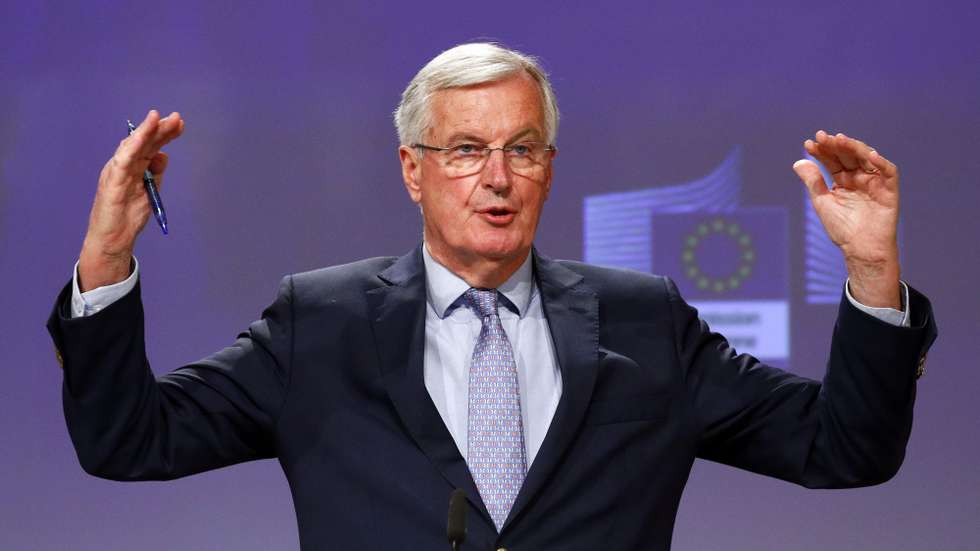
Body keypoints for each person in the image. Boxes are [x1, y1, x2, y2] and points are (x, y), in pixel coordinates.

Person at [48, 43, 937, 550]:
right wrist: (107, 255)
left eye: (524, 148)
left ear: (550, 168)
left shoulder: (643, 319)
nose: (497, 178)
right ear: (413, 171)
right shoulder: (318, 324)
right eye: (466, 150)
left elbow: (844, 449)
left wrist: (870, 273)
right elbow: (131, 441)